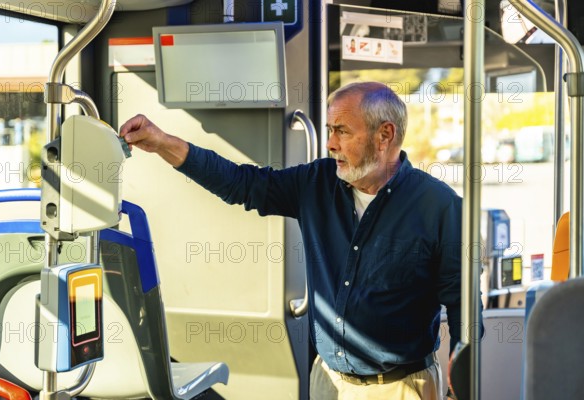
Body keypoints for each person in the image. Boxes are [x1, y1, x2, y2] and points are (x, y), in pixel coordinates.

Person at [120, 82, 463, 400]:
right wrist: (164, 143)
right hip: (326, 381)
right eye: (329, 131)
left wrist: (460, 377)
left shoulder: (438, 205)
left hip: (400, 389)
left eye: (342, 131)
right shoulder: (316, 182)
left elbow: (462, 301)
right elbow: (242, 184)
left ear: (384, 134)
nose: (330, 144)